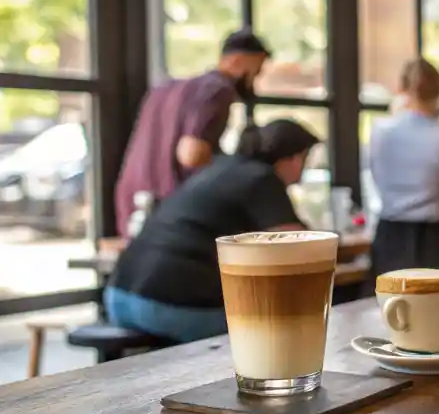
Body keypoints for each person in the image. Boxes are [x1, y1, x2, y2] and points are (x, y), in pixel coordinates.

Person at [104, 120, 319, 343]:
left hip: (118, 295)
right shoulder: (262, 179)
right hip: (164, 305)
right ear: (294, 157)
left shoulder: (216, 169)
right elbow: (301, 245)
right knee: (278, 326)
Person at [114, 29, 271, 237]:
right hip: (172, 211)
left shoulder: (165, 89)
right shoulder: (217, 89)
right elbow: (192, 154)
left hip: (132, 207)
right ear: (238, 60)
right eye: (256, 70)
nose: (254, 81)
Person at [367, 59, 439, 277]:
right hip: (436, 237)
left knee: (388, 304)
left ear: (401, 89)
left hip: (390, 235)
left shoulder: (380, 132)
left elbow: (375, 177)